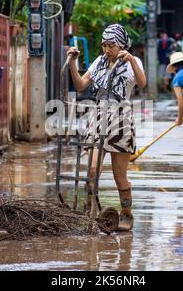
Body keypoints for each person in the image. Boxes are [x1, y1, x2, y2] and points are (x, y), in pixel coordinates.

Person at [67, 24, 146, 231]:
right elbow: (81, 86)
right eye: (104, 45)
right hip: (98, 116)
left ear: (121, 44)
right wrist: (73, 64)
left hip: (121, 118)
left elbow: (143, 82)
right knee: (92, 170)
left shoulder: (132, 61)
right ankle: (89, 212)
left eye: (111, 45)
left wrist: (131, 61)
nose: (107, 49)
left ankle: (127, 214)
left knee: (119, 175)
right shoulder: (99, 62)